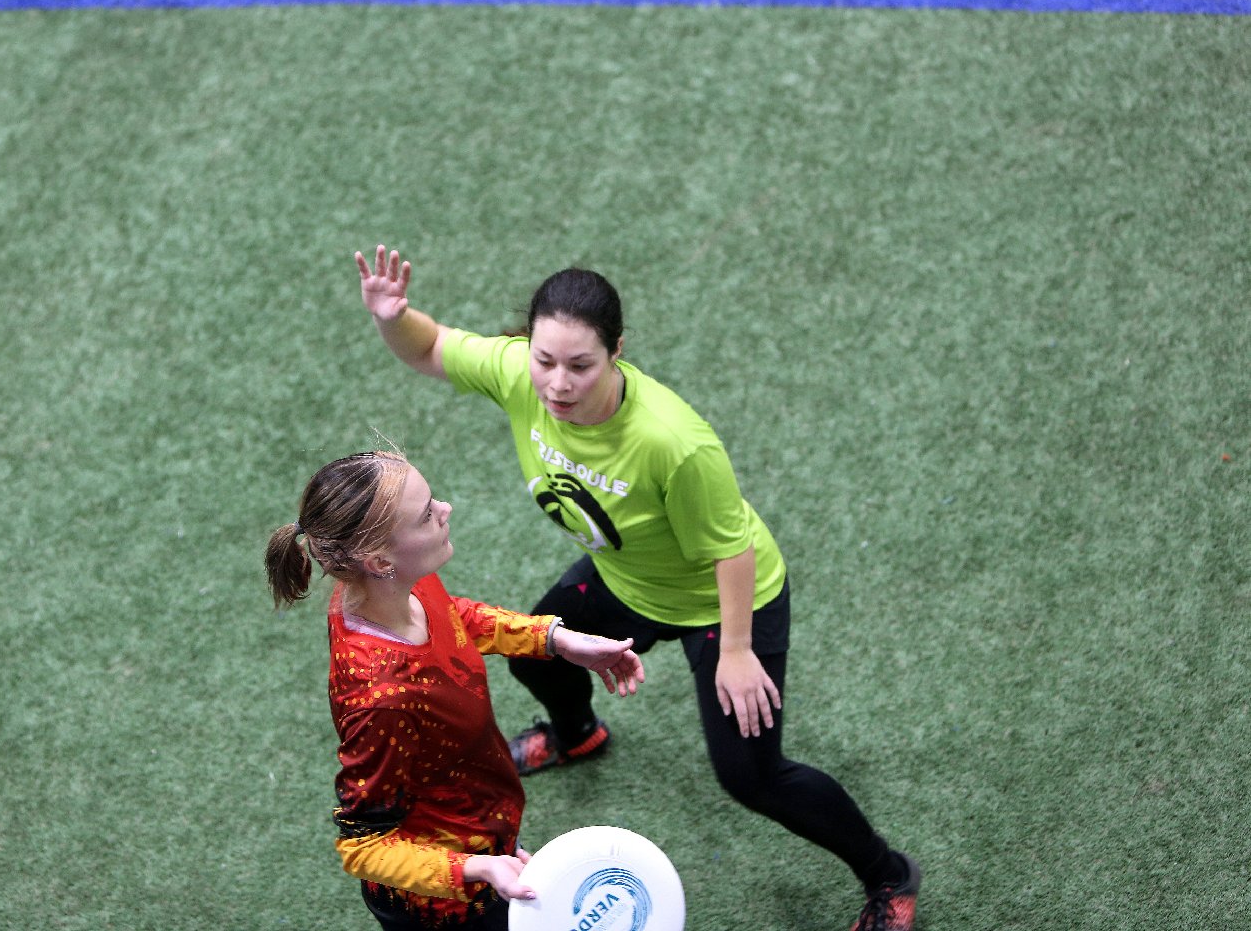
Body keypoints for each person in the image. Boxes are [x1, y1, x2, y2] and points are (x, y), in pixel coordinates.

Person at [354, 246, 923, 931]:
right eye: (544, 360)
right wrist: (393, 316)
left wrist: (736, 651)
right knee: (538, 653)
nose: (557, 383)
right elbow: (429, 348)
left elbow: (731, 546)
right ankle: (577, 735)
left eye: (580, 366)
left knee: (752, 776)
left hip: (722, 601)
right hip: (627, 580)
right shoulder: (517, 373)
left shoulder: (673, 442)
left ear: (616, 352)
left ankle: (889, 874)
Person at [265, 450, 645, 931]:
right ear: (379, 560)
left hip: (483, 832)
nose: (445, 509)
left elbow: (453, 617)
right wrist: (475, 868)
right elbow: (363, 846)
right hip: (446, 906)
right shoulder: (382, 698)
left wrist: (554, 639)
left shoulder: (391, 589)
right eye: (427, 514)